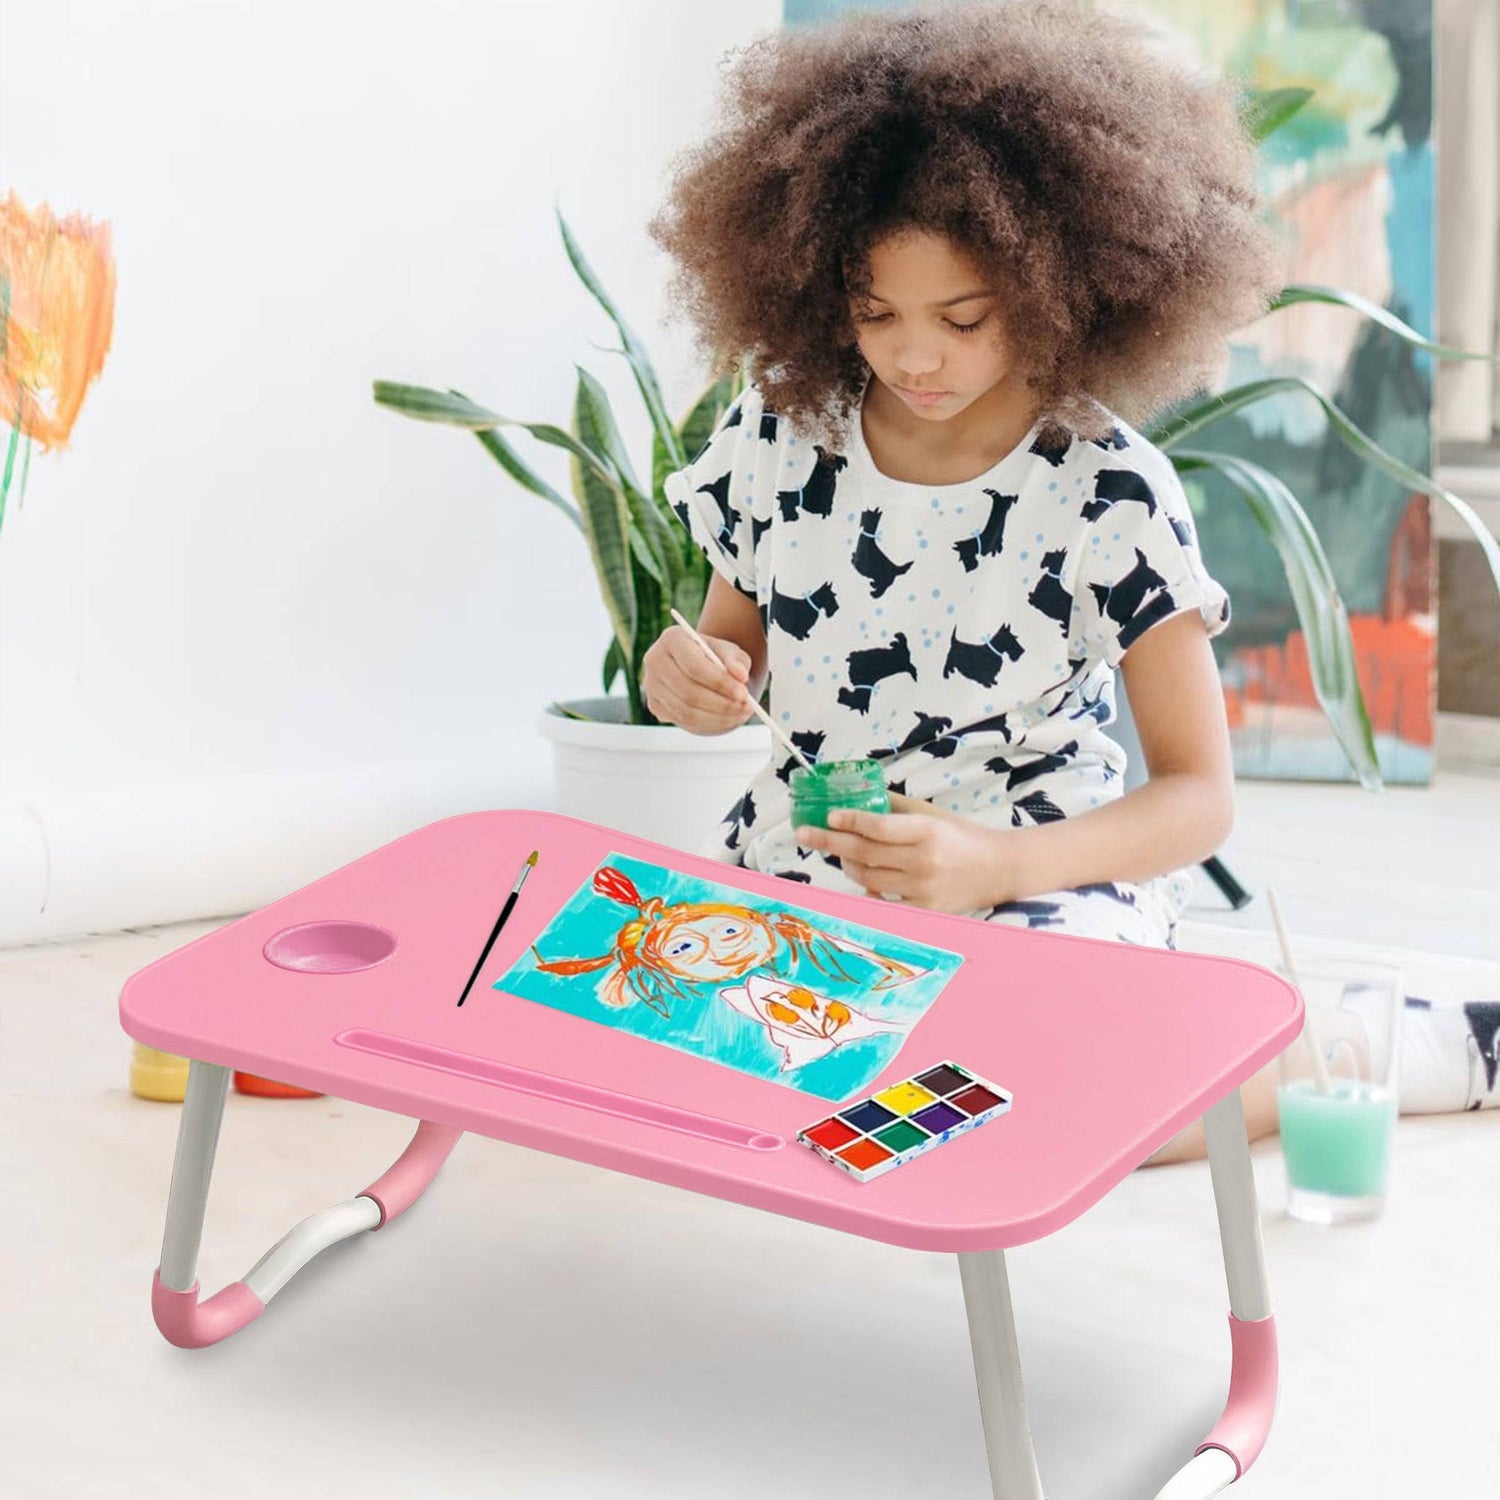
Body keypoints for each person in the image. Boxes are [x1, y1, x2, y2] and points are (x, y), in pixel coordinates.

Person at [641, 0, 1286, 1162]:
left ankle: (1361, 1066)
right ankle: (903, 1102)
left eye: (963, 316)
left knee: (1017, 1098)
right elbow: (731, 647)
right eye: (875, 312)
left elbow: (1201, 797)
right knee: (654, 1042)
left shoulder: (1107, 489)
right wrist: (684, 675)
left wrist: (996, 866)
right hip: (814, 862)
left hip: (1040, 875)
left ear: (1058, 289)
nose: (914, 355)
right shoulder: (785, 433)